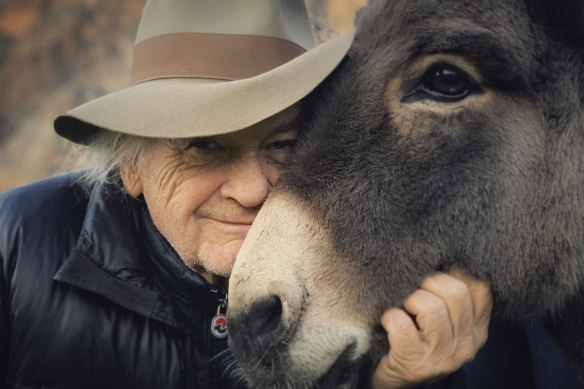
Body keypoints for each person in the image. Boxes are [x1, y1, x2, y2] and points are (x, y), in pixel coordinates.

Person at [1, 0, 496, 388]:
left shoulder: (383, 275)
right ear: (132, 166)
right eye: (203, 146)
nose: (252, 189)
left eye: (283, 145)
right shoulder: (17, 243)